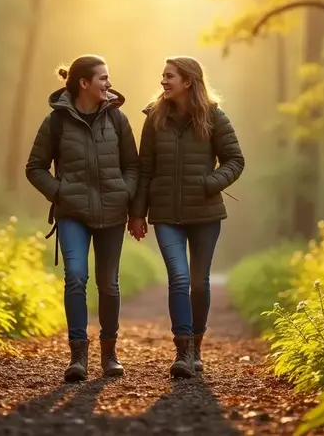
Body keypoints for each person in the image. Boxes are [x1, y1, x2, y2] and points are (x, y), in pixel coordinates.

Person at [128, 56, 245, 379]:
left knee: (199, 282)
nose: (163, 81)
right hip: (165, 214)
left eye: (170, 76)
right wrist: (137, 213)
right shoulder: (154, 118)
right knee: (179, 279)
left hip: (205, 213)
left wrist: (211, 183)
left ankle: (197, 346)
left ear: (188, 82)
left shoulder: (214, 116)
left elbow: (235, 160)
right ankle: (183, 352)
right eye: (163, 76)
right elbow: (144, 169)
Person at [26, 55, 139, 383]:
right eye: (103, 78)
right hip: (72, 213)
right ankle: (78, 357)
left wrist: (124, 193)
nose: (108, 83)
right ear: (84, 83)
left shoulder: (118, 120)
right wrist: (60, 193)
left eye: (108, 77)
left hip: (112, 213)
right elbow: (34, 167)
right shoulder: (56, 122)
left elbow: (133, 166)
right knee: (75, 276)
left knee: (109, 283)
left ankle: (109, 354)